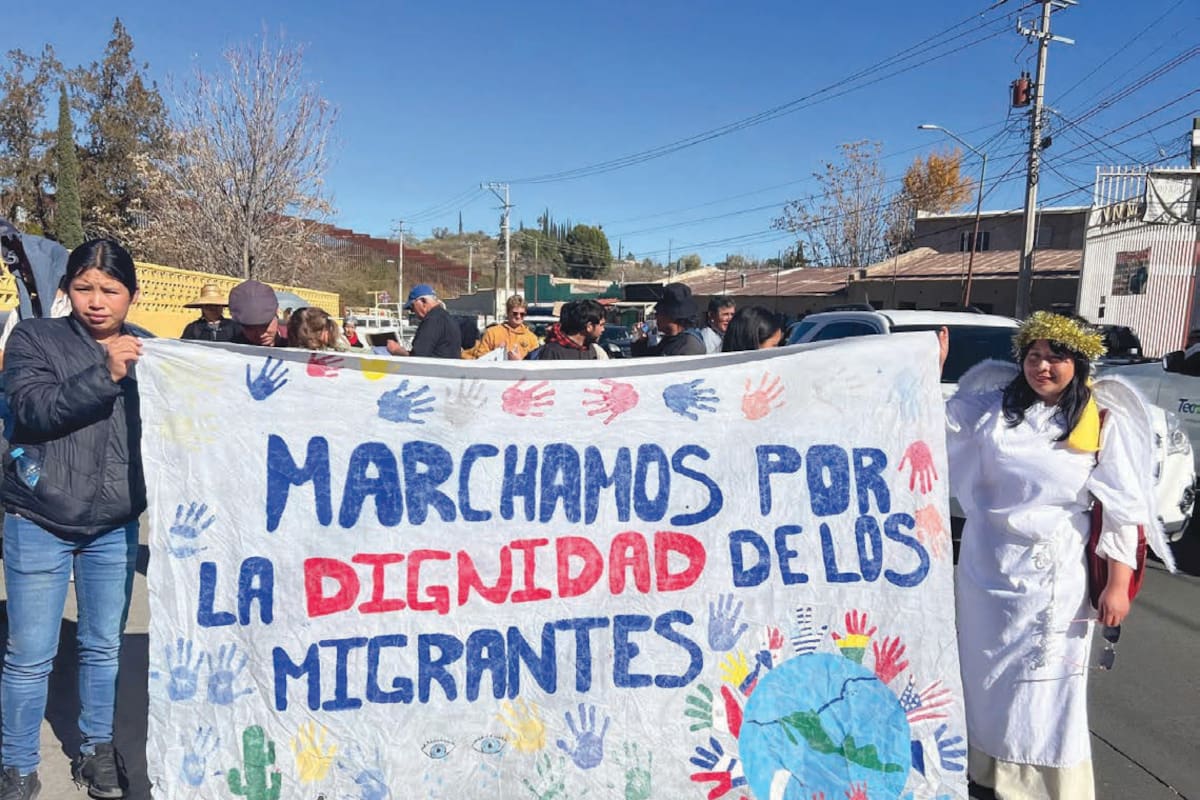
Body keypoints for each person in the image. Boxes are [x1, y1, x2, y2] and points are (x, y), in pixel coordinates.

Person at [940, 312, 1173, 800]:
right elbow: (935, 423)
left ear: (1079, 362)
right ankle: (987, 769)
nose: (1042, 366)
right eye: (1033, 355)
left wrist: (1116, 582)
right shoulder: (993, 407)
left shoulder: (1097, 417)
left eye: (1055, 357)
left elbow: (1123, 506)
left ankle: (1043, 785)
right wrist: (925, 373)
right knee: (984, 678)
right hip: (986, 567)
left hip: (1053, 576)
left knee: (1044, 686)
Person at [1, 238, 146, 799]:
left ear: (131, 295)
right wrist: (106, 374)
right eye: (83, 288)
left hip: (113, 525)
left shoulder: (150, 352)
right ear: (65, 290)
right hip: (40, 518)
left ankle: (96, 751)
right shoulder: (35, 339)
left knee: (103, 646)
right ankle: (16, 765)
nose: (97, 301)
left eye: (110, 290)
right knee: (30, 655)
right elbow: (34, 408)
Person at [387, 284, 461, 359]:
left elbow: (418, 358)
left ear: (423, 301)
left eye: (412, 307)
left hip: (434, 369)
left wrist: (396, 350)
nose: (413, 312)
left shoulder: (432, 320)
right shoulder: (449, 318)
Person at [632, 283, 705, 357]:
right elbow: (648, 358)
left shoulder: (689, 346)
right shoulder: (669, 340)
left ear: (672, 316)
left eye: (658, 313)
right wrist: (642, 341)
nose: (656, 317)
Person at [465, 294, 539, 360]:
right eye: (515, 313)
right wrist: (497, 353)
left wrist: (519, 362)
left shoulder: (531, 338)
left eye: (522, 314)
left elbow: (536, 364)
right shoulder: (492, 333)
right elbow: (481, 357)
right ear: (508, 312)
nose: (518, 317)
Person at [538, 300, 605, 360]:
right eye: (601, 325)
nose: (603, 329)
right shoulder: (552, 351)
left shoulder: (594, 351)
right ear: (589, 326)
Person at [228, 280, 286, 347]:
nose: (260, 334)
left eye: (264, 326)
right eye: (250, 328)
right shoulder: (234, 350)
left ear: (277, 311)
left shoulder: (293, 340)